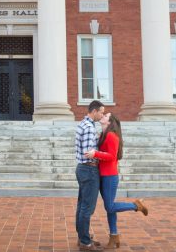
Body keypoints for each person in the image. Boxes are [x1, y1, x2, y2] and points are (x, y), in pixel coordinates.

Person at [85, 113, 148, 249]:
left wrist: (95, 153)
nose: (103, 115)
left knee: (110, 207)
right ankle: (114, 236)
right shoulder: (103, 135)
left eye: (106, 115)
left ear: (110, 121)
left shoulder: (111, 135)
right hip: (103, 175)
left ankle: (136, 206)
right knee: (110, 207)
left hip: (109, 177)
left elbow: (112, 156)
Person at [75, 100, 105, 251]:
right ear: (94, 111)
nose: (102, 115)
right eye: (101, 112)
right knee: (87, 207)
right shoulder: (89, 128)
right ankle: (86, 242)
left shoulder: (84, 124)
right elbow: (89, 154)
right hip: (89, 169)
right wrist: (103, 155)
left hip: (82, 169)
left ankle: (82, 236)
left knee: (82, 205)